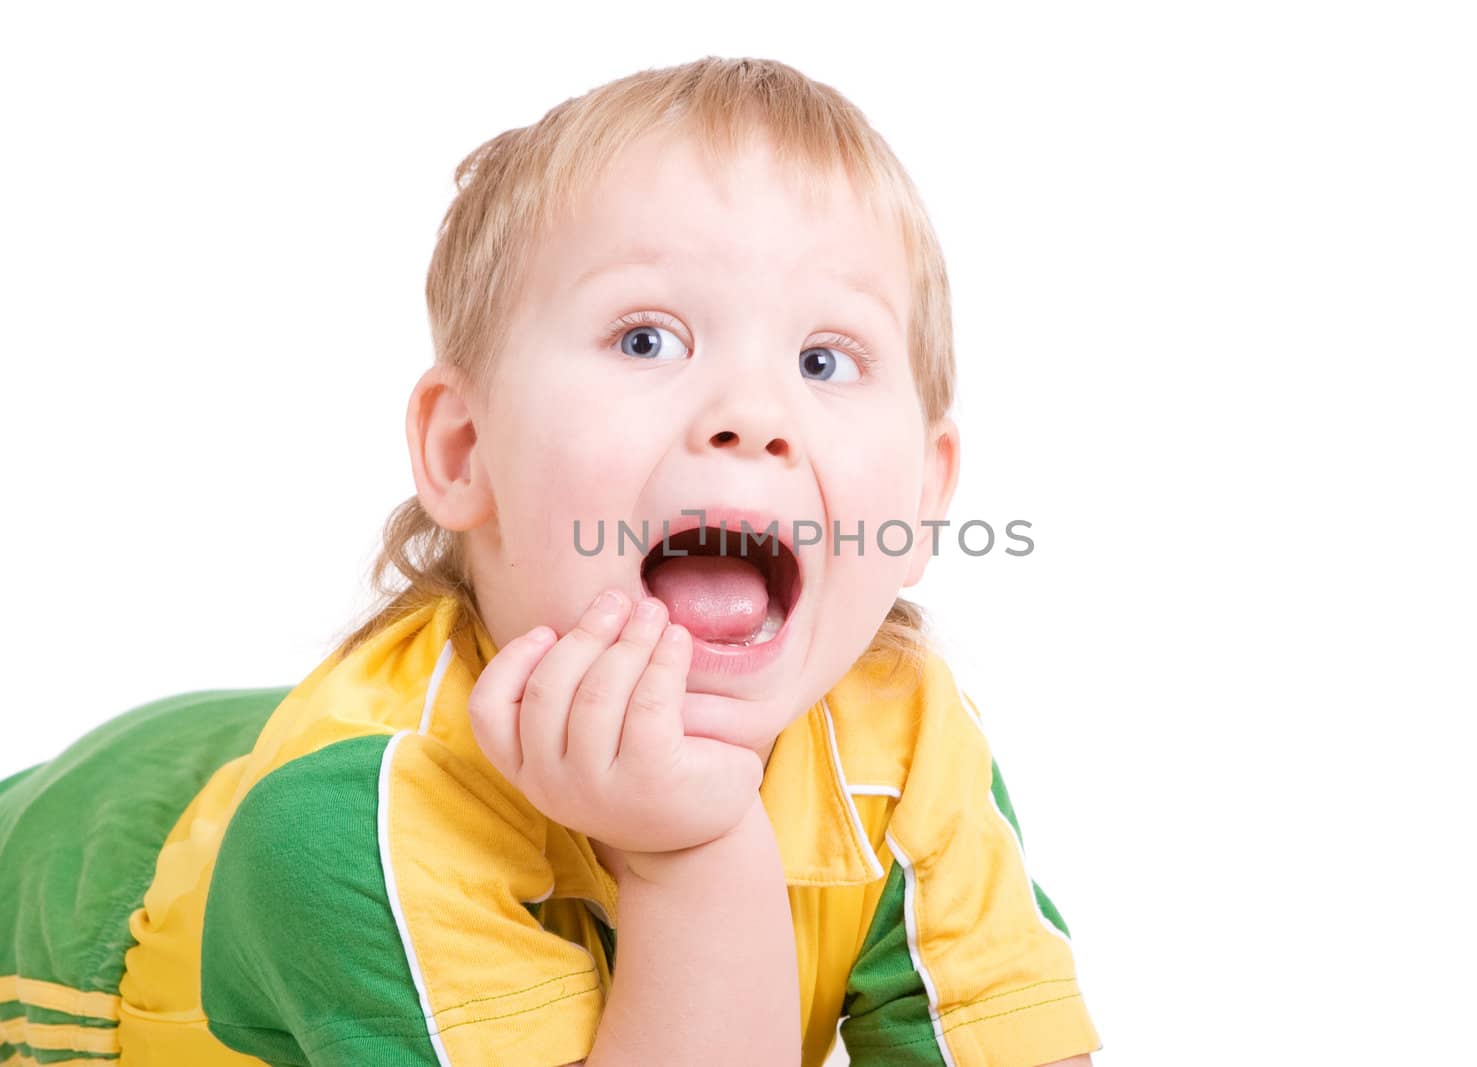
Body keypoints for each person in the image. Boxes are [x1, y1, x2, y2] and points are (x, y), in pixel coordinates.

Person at [0, 56, 1100, 1066]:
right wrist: (693, 855)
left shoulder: (903, 744)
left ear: (919, 496)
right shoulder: (354, 828)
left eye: (825, 357)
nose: (753, 414)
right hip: (70, 899)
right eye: (646, 338)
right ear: (464, 448)